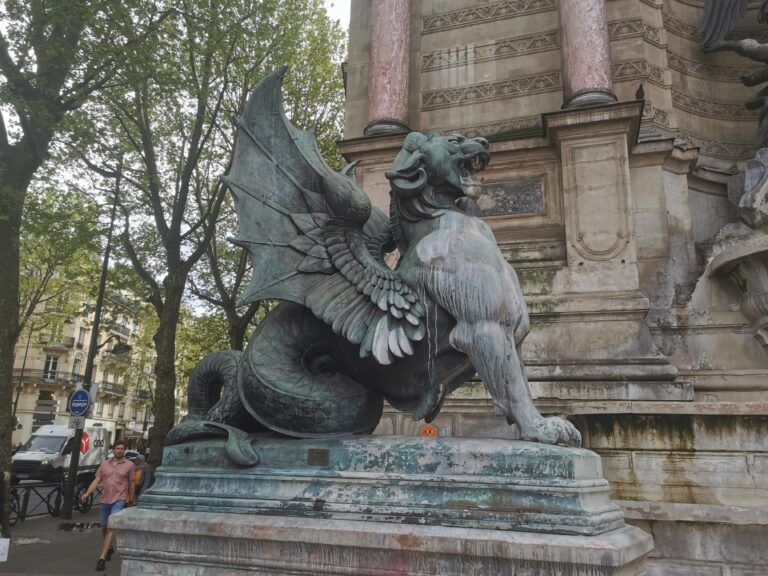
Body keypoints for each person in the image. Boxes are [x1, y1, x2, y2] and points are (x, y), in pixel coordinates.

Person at [81, 439, 136, 572]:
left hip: (119, 499)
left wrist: (131, 500)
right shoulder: (105, 464)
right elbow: (97, 480)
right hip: (105, 499)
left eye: (122, 449)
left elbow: (132, 483)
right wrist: (87, 494)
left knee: (111, 526)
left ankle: (102, 558)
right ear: (113, 450)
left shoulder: (130, 465)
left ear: (125, 450)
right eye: (118, 448)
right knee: (104, 526)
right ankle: (109, 547)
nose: (120, 451)